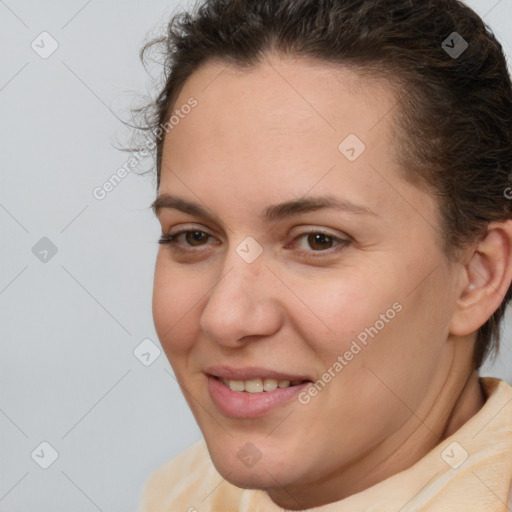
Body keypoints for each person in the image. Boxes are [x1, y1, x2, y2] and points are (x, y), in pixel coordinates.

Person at [137, 0, 512, 509]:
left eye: (318, 240)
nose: (225, 318)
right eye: (193, 236)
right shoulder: (177, 494)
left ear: (476, 276)